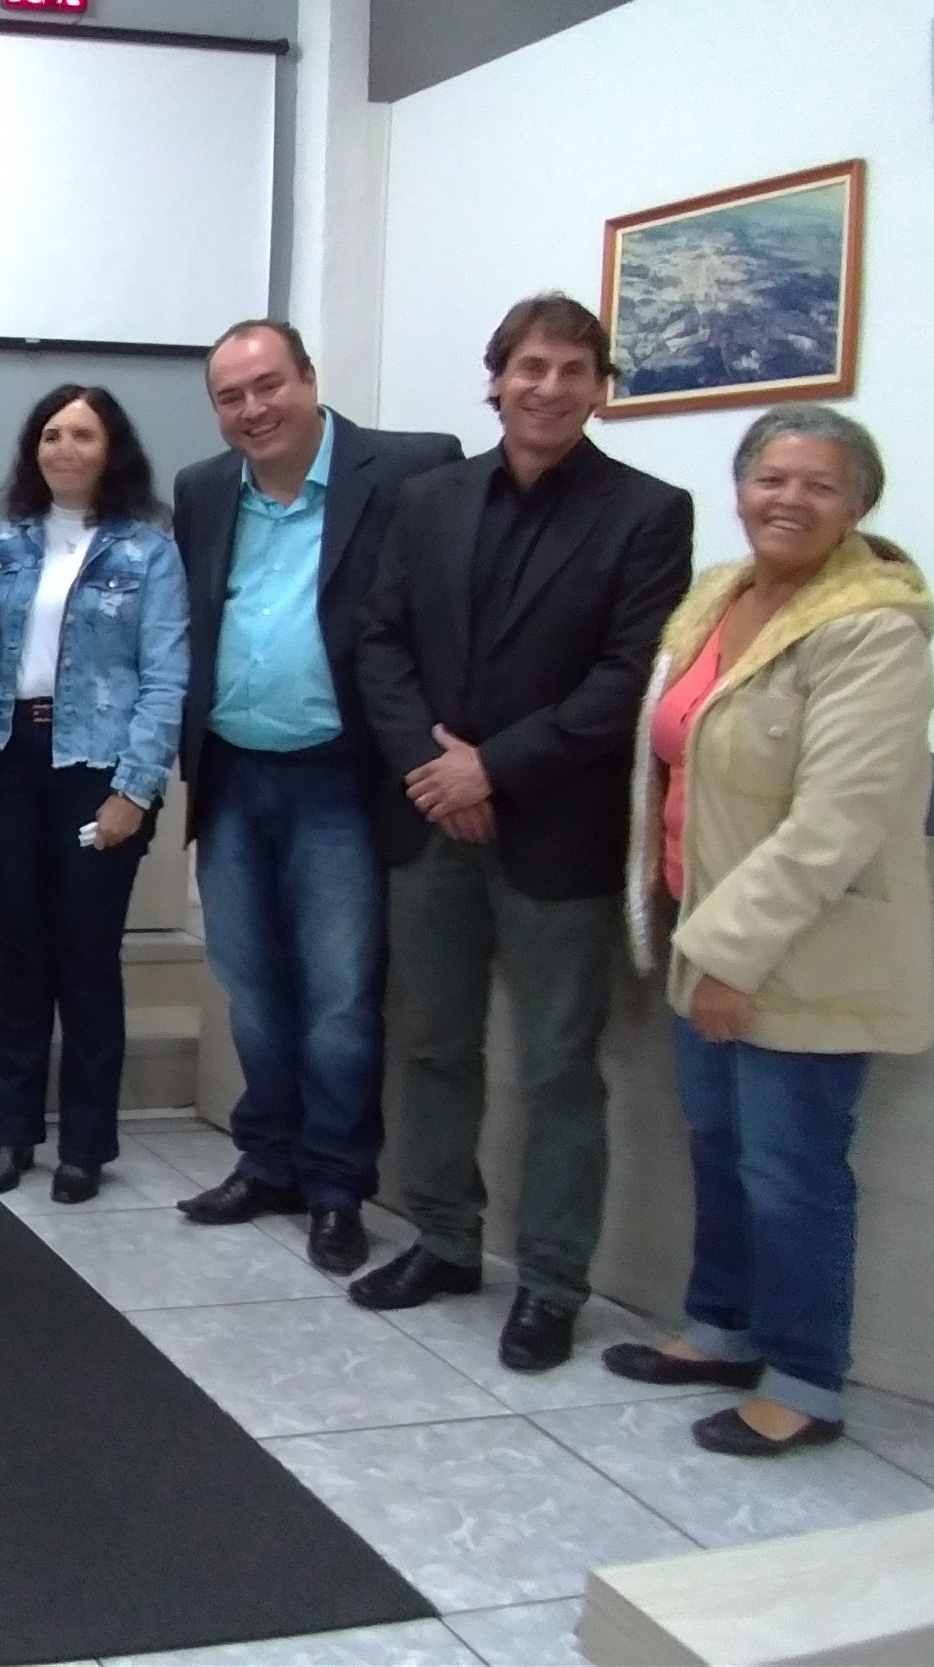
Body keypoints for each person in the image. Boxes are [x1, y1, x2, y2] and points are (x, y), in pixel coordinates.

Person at [348, 293, 694, 1370]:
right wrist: (435, 769)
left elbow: (626, 677)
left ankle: (549, 1282)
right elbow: (378, 644)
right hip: (429, 823)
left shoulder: (647, 512)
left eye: (572, 371)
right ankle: (445, 1241)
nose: (548, 388)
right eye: (530, 367)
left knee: (555, 1069)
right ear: (495, 379)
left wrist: (491, 767)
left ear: (600, 389)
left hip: (557, 835)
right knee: (433, 1046)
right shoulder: (426, 499)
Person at [608, 406, 929, 1455]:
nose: (788, 500)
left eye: (819, 485)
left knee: (791, 1169)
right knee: (719, 1145)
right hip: (700, 929)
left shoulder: (874, 629)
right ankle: (722, 1329)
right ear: (741, 489)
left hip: (796, 950)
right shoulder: (717, 596)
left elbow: (833, 824)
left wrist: (729, 956)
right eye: (770, 479)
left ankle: (803, 1380)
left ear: (858, 505)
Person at [171, 319, 459, 1275]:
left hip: (341, 775)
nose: (252, 410)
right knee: (250, 986)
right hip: (230, 771)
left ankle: (337, 1185)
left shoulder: (410, 471)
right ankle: (268, 1161)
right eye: (229, 397)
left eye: (268, 386)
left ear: (308, 378)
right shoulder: (203, 489)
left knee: (338, 997)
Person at [0, 385, 189, 1203]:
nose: (64, 448)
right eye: (50, 434)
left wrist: (136, 789)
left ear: (111, 448)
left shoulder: (149, 551)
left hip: (98, 764)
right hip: (1, 757)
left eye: (82, 434)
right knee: (20, 954)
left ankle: (85, 1146)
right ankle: (11, 1133)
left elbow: (166, 679)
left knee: (86, 957)